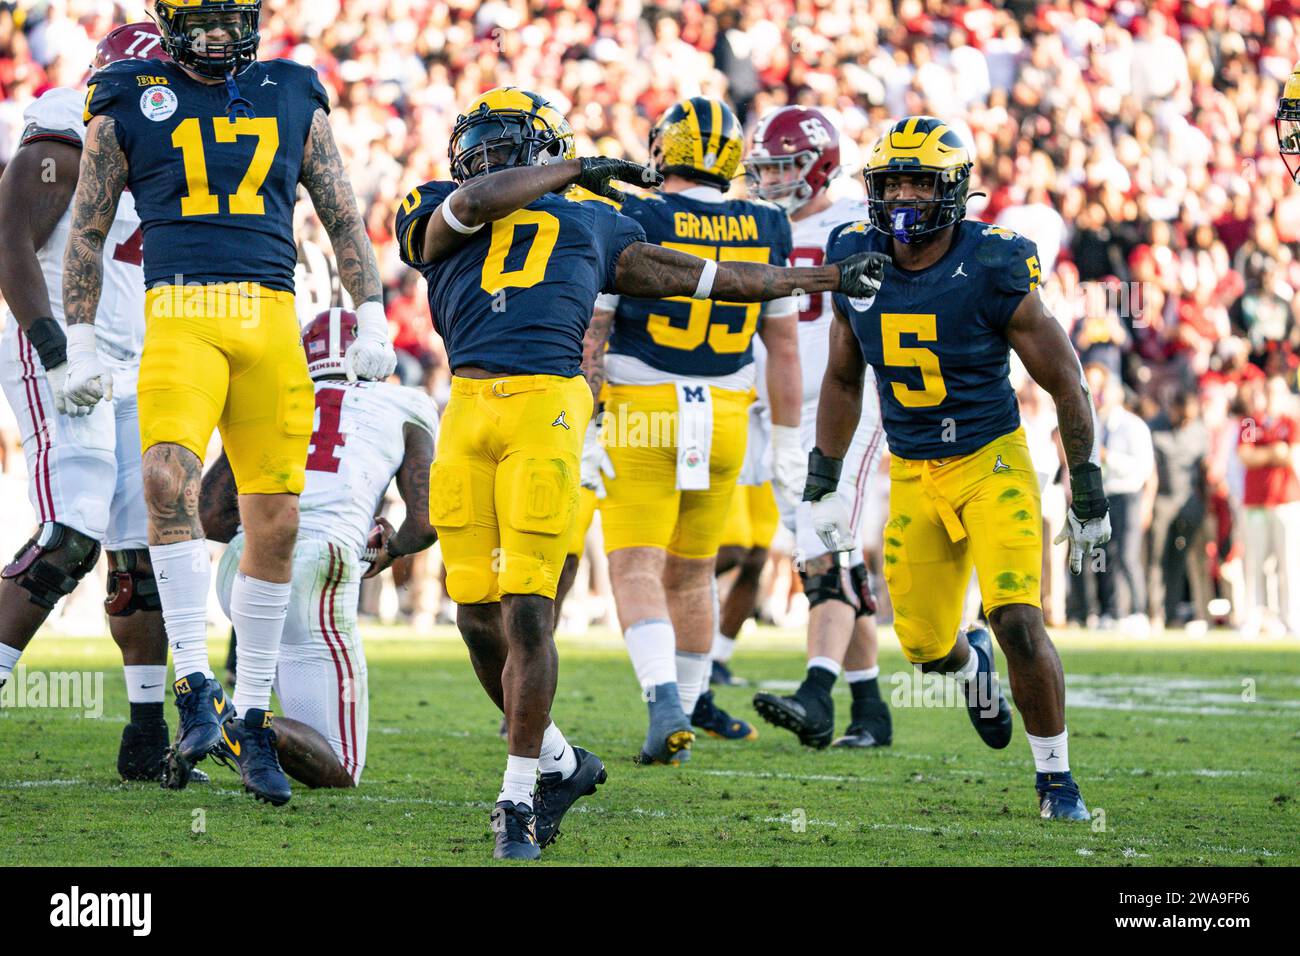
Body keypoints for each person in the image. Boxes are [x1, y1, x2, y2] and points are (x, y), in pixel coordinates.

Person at [393, 87, 888, 858]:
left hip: (548, 404)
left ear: (537, 148)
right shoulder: (436, 204)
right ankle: (559, 762)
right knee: (474, 618)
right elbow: (477, 201)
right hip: (467, 403)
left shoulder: (594, 220)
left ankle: (519, 795)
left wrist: (819, 281)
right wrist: (577, 167)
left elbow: (711, 277)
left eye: (504, 138)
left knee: (529, 609)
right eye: (479, 137)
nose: (487, 151)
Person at [60, 0, 397, 805]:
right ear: (169, 20)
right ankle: (191, 684)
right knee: (165, 479)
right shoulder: (127, 91)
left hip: (273, 321)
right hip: (179, 314)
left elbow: (344, 215)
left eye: (229, 15)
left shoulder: (291, 90)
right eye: (200, 17)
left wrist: (373, 310)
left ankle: (249, 717)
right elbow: (86, 226)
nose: (216, 33)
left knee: (274, 523)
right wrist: (76, 338)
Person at [814, 116, 1109, 820]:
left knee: (1017, 615)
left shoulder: (996, 262)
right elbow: (843, 376)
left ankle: (1056, 779)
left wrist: (1087, 489)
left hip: (991, 458)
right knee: (922, 645)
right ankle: (971, 665)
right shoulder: (855, 252)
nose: (906, 195)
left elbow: (1066, 380)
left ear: (954, 189)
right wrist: (822, 481)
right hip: (912, 466)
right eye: (893, 181)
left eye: (920, 180)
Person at [581, 96, 807, 761]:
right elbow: (785, 346)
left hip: (640, 404)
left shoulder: (634, 212)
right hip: (728, 414)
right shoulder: (768, 222)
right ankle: (680, 720)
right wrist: (789, 442)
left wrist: (590, 424)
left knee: (635, 567)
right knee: (694, 573)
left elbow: (594, 331)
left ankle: (664, 704)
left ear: (664, 148)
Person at [0, 22, 189, 782]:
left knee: (139, 553)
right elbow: (8, 245)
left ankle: (145, 737)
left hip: (133, 364)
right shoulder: (62, 142)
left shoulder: (170, 161)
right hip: (62, 354)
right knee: (70, 534)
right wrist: (54, 350)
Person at [199, 309, 438, 787]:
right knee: (341, 765)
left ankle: (230, 720)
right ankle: (230, 724)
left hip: (242, 568)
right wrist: (388, 548)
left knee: (307, 733)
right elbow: (428, 521)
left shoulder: (275, 398)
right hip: (317, 571)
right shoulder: (405, 402)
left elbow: (211, 515)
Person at [742, 106, 894, 750]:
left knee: (826, 543)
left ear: (820, 165)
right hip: (778, 414)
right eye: (764, 168)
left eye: (783, 167)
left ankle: (814, 691)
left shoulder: (856, 225)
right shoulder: (752, 225)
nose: (771, 180)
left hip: (844, 406)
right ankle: (868, 709)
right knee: (825, 556)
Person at [1237, 375, 1300, 638]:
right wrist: (1273, 453)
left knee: (1288, 564)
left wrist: (1269, 454)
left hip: (1286, 500)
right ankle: (1255, 616)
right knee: (1255, 564)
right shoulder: (1252, 421)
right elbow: (1246, 456)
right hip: (1256, 503)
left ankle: (1291, 618)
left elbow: (1291, 455)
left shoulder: (1291, 422)